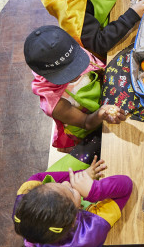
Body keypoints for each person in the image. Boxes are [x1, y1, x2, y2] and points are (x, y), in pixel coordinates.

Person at [25, 25, 126, 164]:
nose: (77, 73)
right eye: (66, 74)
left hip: (104, 102)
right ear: (46, 74)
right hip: (89, 124)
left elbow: (99, 71)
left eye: (76, 65)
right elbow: (86, 122)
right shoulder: (55, 103)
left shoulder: (75, 53)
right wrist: (100, 114)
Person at [13, 156, 133, 246]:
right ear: (74, 219)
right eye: (70, 190)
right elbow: (126, 185)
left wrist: (80, 175)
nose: (66, 182)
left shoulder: (23, 202)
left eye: (54, 184)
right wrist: (94, 191)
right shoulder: (90, 231)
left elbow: (38, 177)